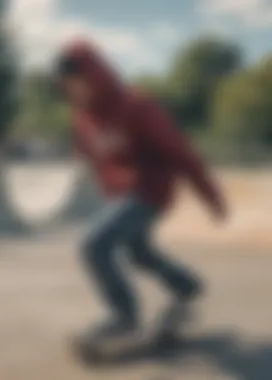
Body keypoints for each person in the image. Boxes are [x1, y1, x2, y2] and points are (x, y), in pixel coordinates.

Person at [54, 40, 227, 341]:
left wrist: (211, 197)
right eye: (68, 85)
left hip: (151, 190)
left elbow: (180, 152)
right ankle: (185, 285)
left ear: (95, 77)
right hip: (123, 195)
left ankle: (124, 317)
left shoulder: (137, 106)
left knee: (94, 245)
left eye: (79, 83)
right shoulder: (82, 118)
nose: (74, 91)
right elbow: (97, 161)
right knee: (139, 253)